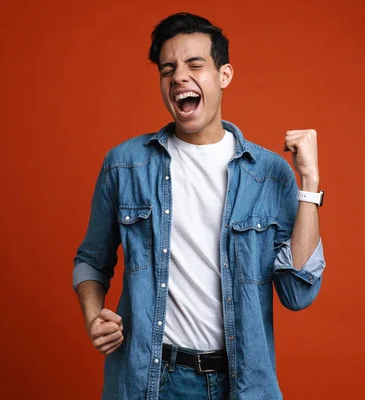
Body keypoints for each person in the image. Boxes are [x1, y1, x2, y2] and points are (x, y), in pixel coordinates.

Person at [73, 12, 326, 400]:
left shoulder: (270, 175)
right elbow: (90, 259)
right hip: (151, 382)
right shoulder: (125, 165)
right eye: (168, 69)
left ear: (224, 75)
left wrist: (309, 184)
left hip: (240, 384)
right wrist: (93, 315)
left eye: (195, 65)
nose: (179, 78)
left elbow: (297, 293)